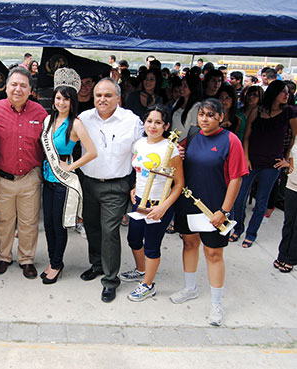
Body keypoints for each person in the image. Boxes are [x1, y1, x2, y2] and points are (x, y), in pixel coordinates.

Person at [171, 98, 248, 326]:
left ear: (221, 118)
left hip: (215, 208)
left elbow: (236, 178)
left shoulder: (230, 140)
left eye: (211, 115)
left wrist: (224, 210)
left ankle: (216, 304)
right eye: (202, 114)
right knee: (189, 244)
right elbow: (177, 160)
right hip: (188, 204)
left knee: (214, 254)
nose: (204, 119)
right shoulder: (192, 135)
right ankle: (190, 287)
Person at [79, 77, 144, 303]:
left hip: (116, 186)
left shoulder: (131, 121)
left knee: (109, 232)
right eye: (98, 95)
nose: (102, 99)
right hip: (89, 183)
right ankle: (97, 265)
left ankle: (110, 280)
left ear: (118, 97)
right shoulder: (84, 119)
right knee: (92, 227)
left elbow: (143, 151)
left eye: (108, 95)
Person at [0, 67, 47, 278]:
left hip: (30, 177)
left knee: (29, 222)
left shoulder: (40, 113)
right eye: (14, 84)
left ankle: (27, 259)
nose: (18, 89)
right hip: (2, 177)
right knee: (5, 220)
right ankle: (4, 256)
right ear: (6, 87)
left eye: (23, 85)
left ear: (30, 90)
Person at [40, 68, 97, 284]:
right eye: (58, 98)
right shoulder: (48, 120)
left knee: (59, 224)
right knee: (47, 224)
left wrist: (72, 166)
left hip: (62, 181)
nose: (61, 102)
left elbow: (92, 152)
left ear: (72, 101)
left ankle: (56, 264)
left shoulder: (76, 123)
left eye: (66, 99)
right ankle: (53, 260)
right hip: (47, 178)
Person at [121, 105, 183, 301]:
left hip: (159, 204)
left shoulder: (171, 149)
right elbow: (139, 171)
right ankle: (141, 270)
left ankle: (148, 285)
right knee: (133, 239)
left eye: (158, 122)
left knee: (152, 245)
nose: (153, 126)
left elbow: (179, 183)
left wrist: (164, 207)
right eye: (149, 121)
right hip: (139, 201)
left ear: (166, 126)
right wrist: (133, 189)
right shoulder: (139, 144)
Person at [231, 80, 297, 248]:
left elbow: (295, 137)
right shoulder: (258, 110)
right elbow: (246, 136)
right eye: (283, 92)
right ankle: (237, 228)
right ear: (274, 93)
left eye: (288, 92)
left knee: (261, 201)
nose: (287, 95)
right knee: (239, 198)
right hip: (252, 160)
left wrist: (287, 159)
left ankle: (251, 234)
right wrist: (245, 158)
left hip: (272, 164)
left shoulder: (289, 112)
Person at [273, 140, 296, 273]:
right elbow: (293, 153)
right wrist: (289, 165)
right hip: (292, 185)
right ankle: (282, 255)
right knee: (288, 222)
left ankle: (291, 259)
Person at [171, 74, 203, 141]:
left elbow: (194, 133)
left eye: (185, 86)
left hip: (185, 147)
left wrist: (181, 145)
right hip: (173, 143)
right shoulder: (178, 102)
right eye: (181, 85)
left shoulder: (196, 107)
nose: (181, 88)